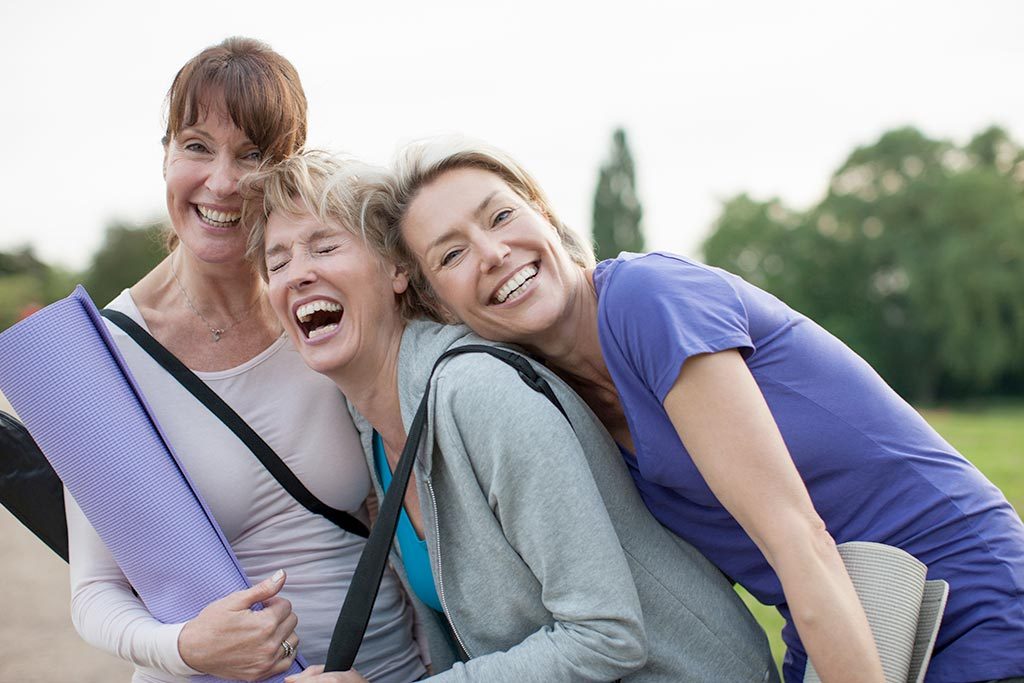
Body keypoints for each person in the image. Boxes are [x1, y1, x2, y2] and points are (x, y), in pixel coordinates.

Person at [366, 136, 1024, 683]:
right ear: (438, 302)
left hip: (968, 604)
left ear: (542, 212)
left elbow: (801, 541)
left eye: (501, 215)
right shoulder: (551, 401)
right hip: (845, 632)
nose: (492, 252)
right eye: (451, 253)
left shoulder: (649, 301)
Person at [239, 151, 778, 682]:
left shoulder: (478, 393)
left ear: (397, 269)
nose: (297, 276)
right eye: (278, 262)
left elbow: (607, 634)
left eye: (324, 247)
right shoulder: (372, 434)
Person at [65, 38, 424, 683]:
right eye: (197, 146)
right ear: (167, 155)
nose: (224, 182)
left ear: (289, 169)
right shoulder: (98, 354)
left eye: (254, 156)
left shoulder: (325, 310)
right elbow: (93, 593)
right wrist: (186, 647)